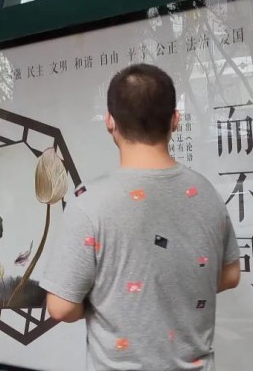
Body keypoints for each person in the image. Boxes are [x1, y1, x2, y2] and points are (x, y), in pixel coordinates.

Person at [39, 63, 240, 371]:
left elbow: (60, 307)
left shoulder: (89, 202)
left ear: (110, 121)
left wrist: (112, 297)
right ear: (175, 120)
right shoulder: (206, 193)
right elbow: (231, 274)